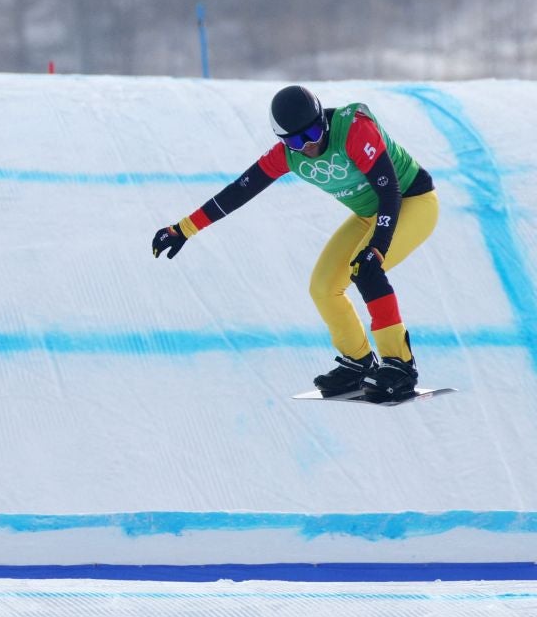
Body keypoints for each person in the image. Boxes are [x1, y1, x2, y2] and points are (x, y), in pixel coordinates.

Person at [151, 85, 440, 402]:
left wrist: (378, 247)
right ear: (282, 140)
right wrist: (183, 229)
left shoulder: (355, 130)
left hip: (412, 201)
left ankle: (400, 365)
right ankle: (358, 362)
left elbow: (390, 192)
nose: (309, 145)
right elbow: (239, 192)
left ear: (324, 120)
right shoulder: (286, 156)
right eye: (295, 140)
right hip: (369, 213)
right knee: (323, 286)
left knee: (367, 268)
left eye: (314, 132)